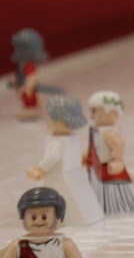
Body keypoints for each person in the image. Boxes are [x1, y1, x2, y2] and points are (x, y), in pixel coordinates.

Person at [25, 95, 104, 227]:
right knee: (80, 195)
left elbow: (52, 157)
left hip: (58, 175)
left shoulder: (56, 141)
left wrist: (40, 168)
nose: (48, 121)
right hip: (74, 173)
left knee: (61, 197)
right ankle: (90, 215)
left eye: (50, 117)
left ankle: (64, 219)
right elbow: (77, 154)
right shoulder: (72, 138)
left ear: (61, 120)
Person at [81, 91, 134, 216]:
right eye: (92, 110)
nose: (93, 114)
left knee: (110, 189)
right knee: (96, 186)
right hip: (96, 167)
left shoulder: (109, 132)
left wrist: (117, 160)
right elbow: (94, 144)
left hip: (108, 168)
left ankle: (115, 206)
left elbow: (119, 145)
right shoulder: (96, 130)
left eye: (96, 110)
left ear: (112, 112)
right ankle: (98, 204)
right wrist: (87, 155)